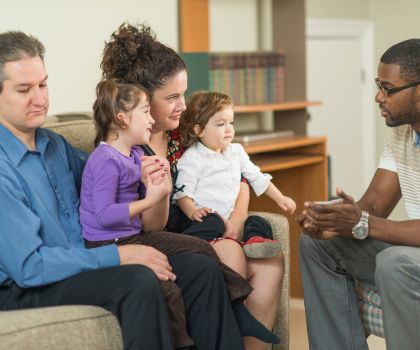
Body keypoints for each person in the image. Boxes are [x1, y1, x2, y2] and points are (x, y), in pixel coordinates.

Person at [0, 30, 250, 350]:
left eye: (43, 84)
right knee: (140, 280)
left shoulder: (55, 146)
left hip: (84, 261)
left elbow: (109, 177)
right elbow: (29, 268)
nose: (40, 98)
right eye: (24, 89)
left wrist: (146, 174)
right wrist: (117, 254)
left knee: (200, 268)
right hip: (31, 286)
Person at [101, 23, 285, 350]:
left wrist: (237, 221)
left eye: (183, 94)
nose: (183, 106)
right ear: (140, 100)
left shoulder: (183, 134)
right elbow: (148, 224)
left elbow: (236, 175)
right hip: (167, 235)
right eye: (172, 97)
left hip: (207, 223)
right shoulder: (124, 147)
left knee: (269, 263)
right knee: (228, 254)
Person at [297, 38, 420, 350]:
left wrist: (363, 222)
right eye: (379, 85)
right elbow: (375, 203)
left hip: (407, 258)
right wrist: (338, 220)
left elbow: (370, 221)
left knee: (396, 262)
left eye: (389, 89)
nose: (379, 96)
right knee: (316, 243)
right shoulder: (403, 132)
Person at [172, 90, 296, 274]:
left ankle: (254, 242)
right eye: (221, 124)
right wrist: (193, 211)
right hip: (207, 218)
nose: (229, 129)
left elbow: (256, 176)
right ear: (199, 130)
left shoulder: (236, 152)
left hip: (232, 218)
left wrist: (280, 198)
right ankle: (194, 242)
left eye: (231, 123)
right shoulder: (193, 158)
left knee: (259, 222)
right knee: (213, 222)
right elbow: (182, 192)